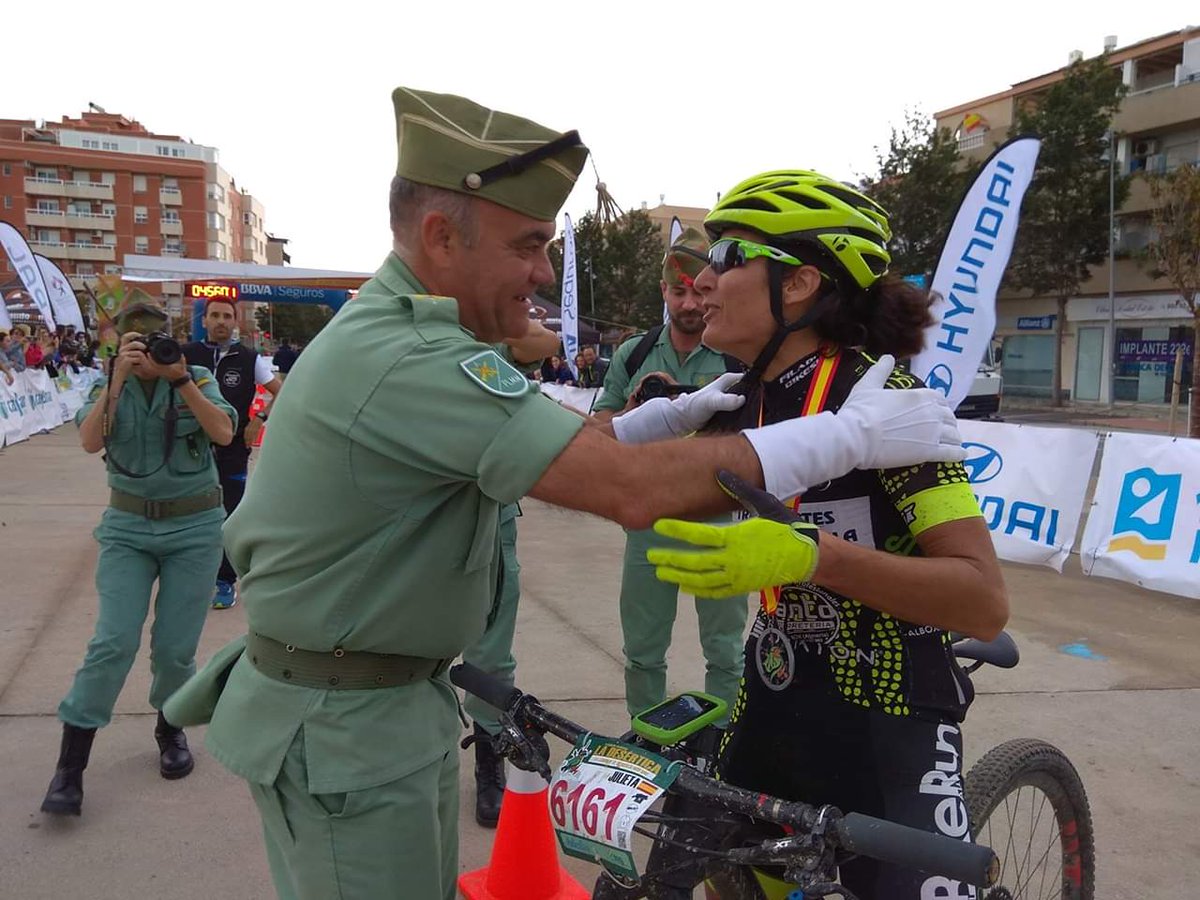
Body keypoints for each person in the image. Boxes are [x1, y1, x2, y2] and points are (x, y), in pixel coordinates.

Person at [165, 89, 962, 900]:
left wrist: (662, 419)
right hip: (347, 723)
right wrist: (842, 438)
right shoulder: (410, 356)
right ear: (442, 236)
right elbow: (622, 488)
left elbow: (560, 443)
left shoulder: (413, 337)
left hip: (387, 705)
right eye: (527, 245)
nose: (544, 272)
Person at [643, 171, 1008, 899]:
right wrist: (655, 421)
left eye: (728, 256)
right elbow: (616, 477)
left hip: (889, 712)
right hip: (775, 689)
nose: (702, 279)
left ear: (801, 282)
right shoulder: (739, 399)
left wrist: (818, 556)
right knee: (726, 881)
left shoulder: (886, 403)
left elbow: (982, 600)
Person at [40, 288, 236, 818]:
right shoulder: (111, 383)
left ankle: (169, 729)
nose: (147, 348)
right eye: (136, 339)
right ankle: (70, 766)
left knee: (174, 649)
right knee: (112, 642)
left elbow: (223, 432)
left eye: (155, 338)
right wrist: (118, 381)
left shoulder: (196, 377)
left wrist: (179, 379)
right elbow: (89, 441)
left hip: (194, 530)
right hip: (128, 530)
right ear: (120, 343)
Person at [591, 226, 748, 723]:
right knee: (642, 649)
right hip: (649, 521)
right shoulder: (635, 353)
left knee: (726, 651)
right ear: (664, 290)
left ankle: (723, 743)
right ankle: (646, 738)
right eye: (678, 291)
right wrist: (636, 408)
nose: (689, 304)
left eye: (699, 291)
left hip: (719, 521)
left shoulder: (738, 354)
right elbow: (598, 429)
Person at [462, 310, 561, 827]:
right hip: (417, 516)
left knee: (489, 651)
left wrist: (489, 319)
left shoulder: (485, 350)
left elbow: (542, 342)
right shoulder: (410, 348)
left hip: (489, 518)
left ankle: (487, 759)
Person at [182, 298, 283, 610]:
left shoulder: (249, 358)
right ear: (204, 321)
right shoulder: (186, 355)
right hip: (190, 447)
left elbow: (283, 392)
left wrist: (260, 418)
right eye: (214, 315)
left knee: (229, 515)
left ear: (235, 322)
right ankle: (189, 575)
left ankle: (224, 580)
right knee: (189, 513)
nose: (221, 321)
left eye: (227, 316)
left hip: (233, 449)